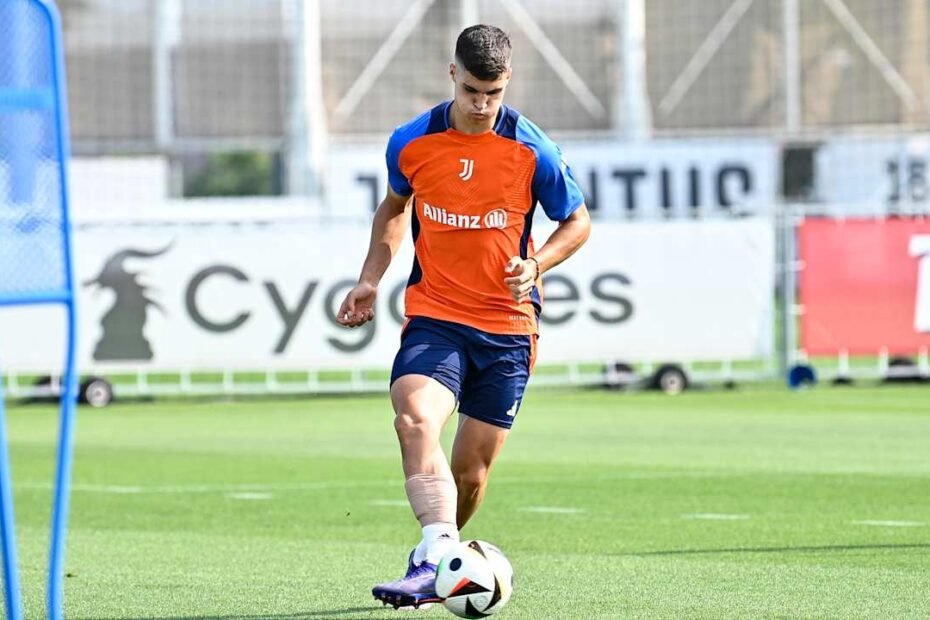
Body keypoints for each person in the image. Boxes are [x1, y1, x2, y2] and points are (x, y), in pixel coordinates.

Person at [336, 24, 591, 610]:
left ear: (507, 83)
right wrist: (371, 277)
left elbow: (577, 223)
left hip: (509, 327)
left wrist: (537, 263)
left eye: (493, 93)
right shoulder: (411, 142)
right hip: (437, 315)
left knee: (470, 475)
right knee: (414, 418)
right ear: (453, 74)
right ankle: (437, 556)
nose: (481, 104)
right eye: (472, 90)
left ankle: (436, 557)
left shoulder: (533, 150)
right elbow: (394, 207)